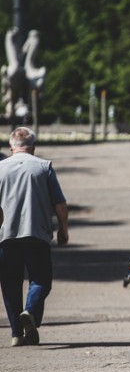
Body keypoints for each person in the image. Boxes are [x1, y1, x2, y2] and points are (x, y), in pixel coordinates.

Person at [0, 127, 69, 347]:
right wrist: (63, 230)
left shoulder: (0, 168)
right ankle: (30, 310)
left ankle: (16, 334)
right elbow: (60, 204)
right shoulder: (44, 167)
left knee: (10, 284)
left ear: (11, 147)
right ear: (33, 147)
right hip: (36, 233)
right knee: (41, 280)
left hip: (6, 235)